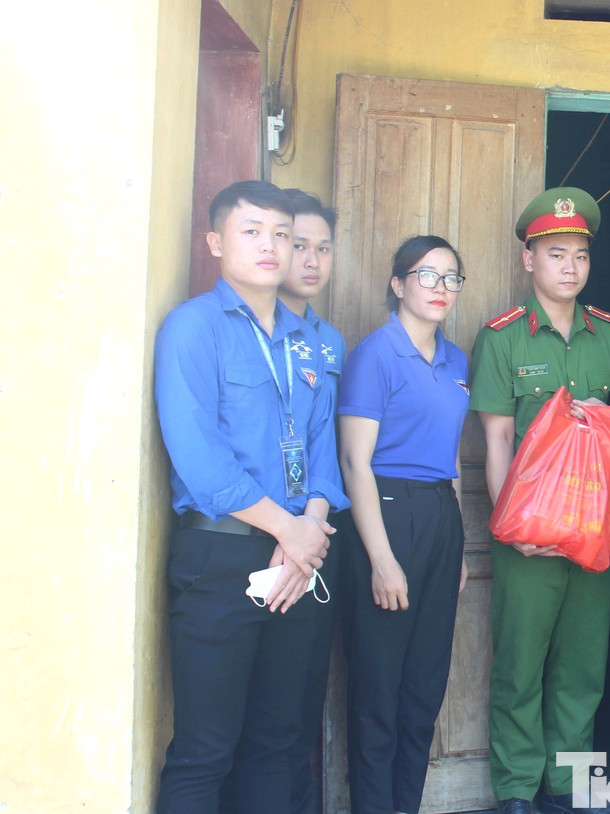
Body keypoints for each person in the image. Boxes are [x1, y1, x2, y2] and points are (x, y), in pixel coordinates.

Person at [153, 180, 345, 814]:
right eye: (252, 232)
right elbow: (201, 461)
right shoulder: (192, 327)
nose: (272, 247)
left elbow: (322, 448)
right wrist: (289, 533)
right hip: (222, 558)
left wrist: (306, 535)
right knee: (206, 748)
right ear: (216, 242)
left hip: (299, 562)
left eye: (282, 235)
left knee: (277, 742)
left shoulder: (309, 339)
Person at [470, 187, 610, 814]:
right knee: (520, 664)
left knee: (583, 664)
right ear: (528, 261)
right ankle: (516, 788)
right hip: (530, 532)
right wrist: (512, 528)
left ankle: (567, 784)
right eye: (556, 254)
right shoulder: (503, 338)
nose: (570, 267)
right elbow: (497, 440)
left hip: (593, 527)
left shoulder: (609, 335)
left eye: (580, 256)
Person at [337, 235, 472, 814]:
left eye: (451, 278)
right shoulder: (375, 354)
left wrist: (459, 542)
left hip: (440, 517)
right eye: (427, 275)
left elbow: (451, 462)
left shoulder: (457, 359)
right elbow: (353, 462)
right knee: (378, 691)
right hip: (385, 513)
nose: (441, 288)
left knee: (422, 690)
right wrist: (382, 558)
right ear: (398, 284)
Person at [279, 189, 348, 814]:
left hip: (314, 538)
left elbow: (325, 444)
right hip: (254, 538)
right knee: (249, 716)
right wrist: (288, 528)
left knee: (299, 704)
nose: (310, 259)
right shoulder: (247, 330)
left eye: (322, 248)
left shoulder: (329, 342)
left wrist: (315, 520)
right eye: (298, 245)